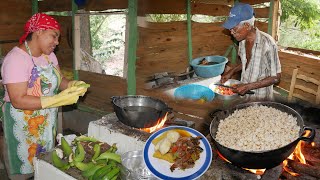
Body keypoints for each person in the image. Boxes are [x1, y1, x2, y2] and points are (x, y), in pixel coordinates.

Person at [0, 13, 89, 179]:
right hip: (24, 123)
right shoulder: (16, 59)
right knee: (24, 165)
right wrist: (55, 100)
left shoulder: (49, 55)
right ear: (39, 31)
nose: (57, 42)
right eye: (54, 36)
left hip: (46, 120)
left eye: (58, 38)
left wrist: (71, 85)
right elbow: (18, 100)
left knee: (45, 161)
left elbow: (60, 79)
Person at [221, 3, 281, 100]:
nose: (231, 32)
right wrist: (231, 71)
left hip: (261, 97)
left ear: (247, 25)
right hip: (244, 95)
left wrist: (248, 86)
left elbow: (276, 77)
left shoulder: (267, 43)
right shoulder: (241, 41)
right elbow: (247, 63)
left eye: (234, 28)